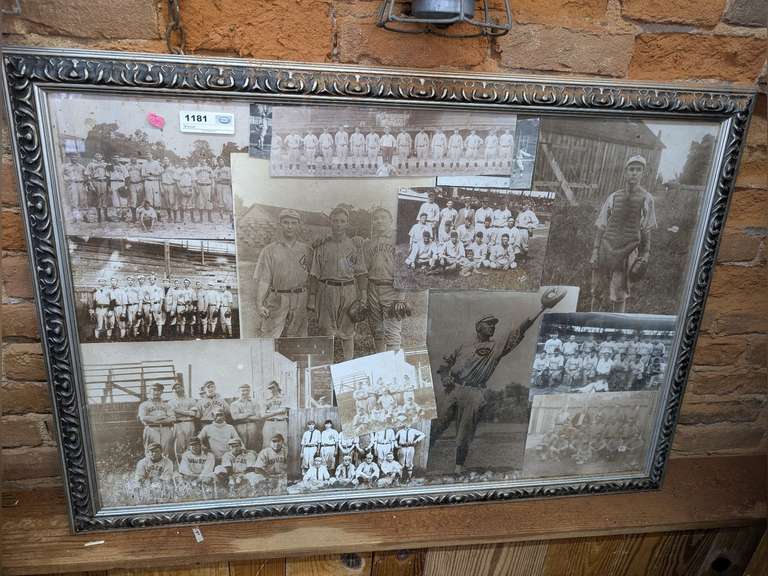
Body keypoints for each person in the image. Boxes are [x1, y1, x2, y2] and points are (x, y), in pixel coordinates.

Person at [432, 293, 563, 473]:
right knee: (436, 425)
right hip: (453, 388)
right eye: (489, 324)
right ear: (479, 326)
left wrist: (542, 308)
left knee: (464, 435)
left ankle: (457, 470)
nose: (492, 327)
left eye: (494, 325)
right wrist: (445, 377)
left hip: (474, 392)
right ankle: (416, 465)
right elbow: (444, 365)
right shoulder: (463, 345)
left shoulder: (496, 346)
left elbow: (520, 330)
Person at [591, 155, 657, 312]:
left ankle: (616, 326)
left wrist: (645, 254)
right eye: (631, 169)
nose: (634, 173)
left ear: (643, 173)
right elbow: (601, 225)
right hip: (606, 248)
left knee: (619, 294)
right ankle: (591, 322)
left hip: (627, 251)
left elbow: (647, 229)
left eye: (638, 170)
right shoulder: (613, 197)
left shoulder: (647, 199)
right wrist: (595, 251)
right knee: (597, 291)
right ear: (625, 172)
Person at [308, 206, 368, 361]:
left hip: (348, 290)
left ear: (347, 223)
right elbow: (314, 274)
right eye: (335, 221)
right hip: (326, 289)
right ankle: (327, 365)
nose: (338, 224)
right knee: (326, 331)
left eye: (342, 221)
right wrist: (312, 298)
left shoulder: (355, 245)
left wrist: (363, 295)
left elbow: (361, 273)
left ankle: (349, 365)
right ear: (330, 222)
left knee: (348, 332)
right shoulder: (322, 245)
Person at [253, 208, 312, 338]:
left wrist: (311, 301)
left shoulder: (307, 250)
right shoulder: (269, 250)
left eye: (293, 223)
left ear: (298, 225)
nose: (289, 226)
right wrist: (259, 303)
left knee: (298, 339)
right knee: (269, 338)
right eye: (286, 222)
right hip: (277, 298)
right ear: (280, 224)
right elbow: (264, 280)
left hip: (300, 298)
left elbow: (313, 278)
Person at [363, 207, 408, 353]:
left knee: (393, 332)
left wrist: (401, 298)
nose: (379, 221)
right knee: (377, 331)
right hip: (373, 288)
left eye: (383, 217)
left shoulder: (399, 240)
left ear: (390, 220)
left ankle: (393, 368)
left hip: (392, 288)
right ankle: (381, 362)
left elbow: (405, 271)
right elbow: (364, 269)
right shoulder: (368, 243)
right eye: (376, 218)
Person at [137, 383, 175, 458]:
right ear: (149, 391)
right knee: (151, 451)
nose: (156, 392)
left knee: (165, 451)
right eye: (154, 390)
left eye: (159, 390)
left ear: (161, 392)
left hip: (165, 429)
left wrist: (153, 419)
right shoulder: (144, 404)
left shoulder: (166, 405)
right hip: (151, 428)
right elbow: (143, 418)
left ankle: (163, 468)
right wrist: (161, 418)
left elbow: (173, 418)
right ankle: (150, 468)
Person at [167, 380, 198, 463]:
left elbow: (193, 413)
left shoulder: (191, 400)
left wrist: (178, 411)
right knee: (179, 446)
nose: (177, 389)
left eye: (178, 387)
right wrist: (187, 413)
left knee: (190, 445)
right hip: (178, 424)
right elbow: (172, 415)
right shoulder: (171, 402)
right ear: (173, 391)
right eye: (175, 388)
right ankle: (181, 467)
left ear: (183, 388)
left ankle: (190, 466)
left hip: (190, 423)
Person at [230, 384, 261, 452]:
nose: (245, 392)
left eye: (247, 390)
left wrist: (243, 416)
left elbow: (258, 417)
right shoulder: (234, 404)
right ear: (238, 392)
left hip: (252, 425)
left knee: (252, 444)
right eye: (243, 391)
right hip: (240, 426)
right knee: (241, 443)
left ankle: (252, 458)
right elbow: (235, 417)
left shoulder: (254, 403)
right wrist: (249, 413)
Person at [85, 152, 109, 222]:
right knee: (97, 199)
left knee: (104, 198)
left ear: (102, 156)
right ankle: (99, 217)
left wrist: (108, 184)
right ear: (94, 156)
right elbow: (87, 175)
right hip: (96, 181)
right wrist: (90, 184)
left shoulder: (105, 164)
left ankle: (106, 216)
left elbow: (108, 175)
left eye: (100, 155)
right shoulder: (91, 164)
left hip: (104, 181)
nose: (99, 156)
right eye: (97, 155)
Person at [174, 159, 195, 223]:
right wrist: (180, 190)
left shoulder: (191, 170)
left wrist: (191, 189)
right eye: (183, 161)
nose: (184, 163)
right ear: (181, 162)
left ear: (187, 162)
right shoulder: (178, 170)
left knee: (190, 203)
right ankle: (182, 218)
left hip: (189, 187)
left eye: (185, 161)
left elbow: (193, 181)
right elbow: (177, 181)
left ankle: (192, 218)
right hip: (181, 187)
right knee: (182, 204)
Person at [194, 158, 214, 223]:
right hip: (200, 186)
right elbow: (195, 180)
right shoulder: (196, 169)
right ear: (199, 160)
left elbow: (212, 179)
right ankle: (201, 218)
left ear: (206, 160)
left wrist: (212, 188)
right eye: (201, 159)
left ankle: (209, 218)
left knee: (209, 202)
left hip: (208, 186)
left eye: (204, 159)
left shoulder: (209, 168)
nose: (202, 160)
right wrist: (196, 188)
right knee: (200, 202)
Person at [213, 156, 232, 223]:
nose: (220, 162)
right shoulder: (216, 169)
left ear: (224, 161)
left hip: (226, 186)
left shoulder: (228, 169)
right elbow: (215, 179)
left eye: (222, 160)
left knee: (227, 201)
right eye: (219, 161)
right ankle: (221, 217)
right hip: (219, 186)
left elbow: (229, 179)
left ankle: (231, 217)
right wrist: (222, 179)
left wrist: (221, 179)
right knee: (220, 201)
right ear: (218, 162)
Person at [159, 157, 177, 223]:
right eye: (164, 160)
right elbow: (160, 179)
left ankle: (175, 217)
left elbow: (176, 179)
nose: (165, 161)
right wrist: (161, 188)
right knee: (167, 202)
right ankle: (170, 217)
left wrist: (175, 187)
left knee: (172, 202)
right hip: (164, 185)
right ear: (163, 161)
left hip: (171, 185)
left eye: (167, 160)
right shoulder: (161, 169)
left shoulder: (173, 168)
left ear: (169, 161)